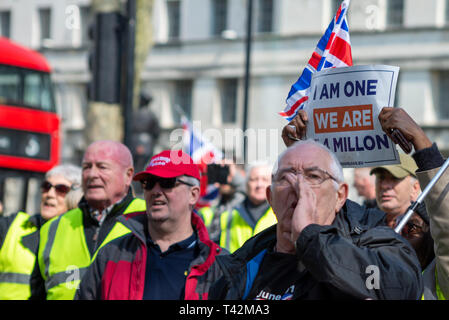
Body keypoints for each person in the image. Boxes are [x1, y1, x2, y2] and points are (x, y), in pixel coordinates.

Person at [209, 140, 422, 300]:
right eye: (286, 177)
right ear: (270, 197)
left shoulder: (369, 240)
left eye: (313, 176)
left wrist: (310, 235)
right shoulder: (243, 263)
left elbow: (399, 286)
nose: (298, 187)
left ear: (340, 196)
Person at [76, 150, 224, 300]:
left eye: (167, 183)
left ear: (193, 195)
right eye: (149, 183)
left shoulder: (220, 265)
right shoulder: (111, 254)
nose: (155, 191)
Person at [36, 140, 146, 300]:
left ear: (128, 175)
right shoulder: (53, 228)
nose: (92, 174)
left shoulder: (150, 218)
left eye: (102, 167)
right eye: (87, 167)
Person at [377, 106, 448, 299]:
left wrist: (420, 141)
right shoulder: (376, 274)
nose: (397, 235)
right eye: (394, 226)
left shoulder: (439, 279)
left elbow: (446, 224)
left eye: (409, 229)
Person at [0, 164, 82, 300]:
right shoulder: (14, 224)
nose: (50, 194)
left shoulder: (82, 237)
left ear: (77, 196)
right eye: (46, 186)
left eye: (61, 189)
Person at [200, 162, 277, 253]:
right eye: (254, 179)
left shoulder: (279, 214)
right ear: (246, 183)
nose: (259, 185)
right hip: (233, 266)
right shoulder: (229, 214)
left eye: (264, 180)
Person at [198, 159, 246, 243]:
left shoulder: (245, 203)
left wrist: (234, 173)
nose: (225, 179)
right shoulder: (213, 208)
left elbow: (245, 189)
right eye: (221, 173)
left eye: (227, 173)